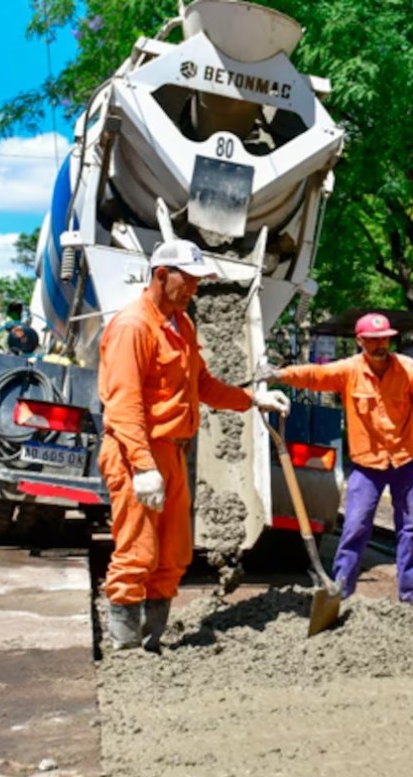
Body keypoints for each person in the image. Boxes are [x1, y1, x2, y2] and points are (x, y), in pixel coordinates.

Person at [99, 239, 290, 652]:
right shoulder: (133, 327)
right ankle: (127, 648)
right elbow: (124, 401)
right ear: (161, 275)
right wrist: (143, 464)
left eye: (199, 282)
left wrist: (253, 398)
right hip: (138, 453)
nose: (194, 290)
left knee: (173, 553)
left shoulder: (181, 325)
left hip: (171, 452)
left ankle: (153, 640)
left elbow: (200, 384)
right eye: (188, 281)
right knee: (137, 551)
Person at [262, 312, 413, 606]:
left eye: (384, 339)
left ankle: (411, 593)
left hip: (407, 460)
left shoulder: (407, 368)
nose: (380, 345)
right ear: (360, 341)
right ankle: (341, 594)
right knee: (355, 527)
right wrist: (279, 375)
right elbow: (314, 376)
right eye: (373, 341)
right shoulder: (349, 371)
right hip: (367, 465)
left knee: (409, 529)